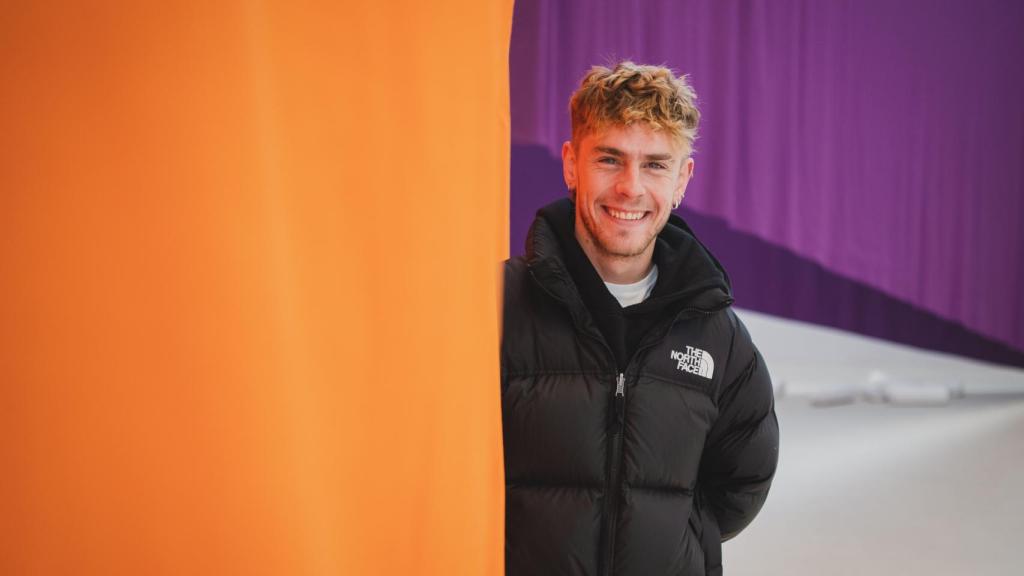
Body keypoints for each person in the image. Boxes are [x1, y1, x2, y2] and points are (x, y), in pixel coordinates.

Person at [501, 61, 779, 576]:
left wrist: (673, 539)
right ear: (571, 164)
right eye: (610, 159)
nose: (630, 188)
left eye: (655, 165)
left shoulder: (718, 337)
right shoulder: (499, 308)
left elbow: (743, 484)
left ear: (682, 180)